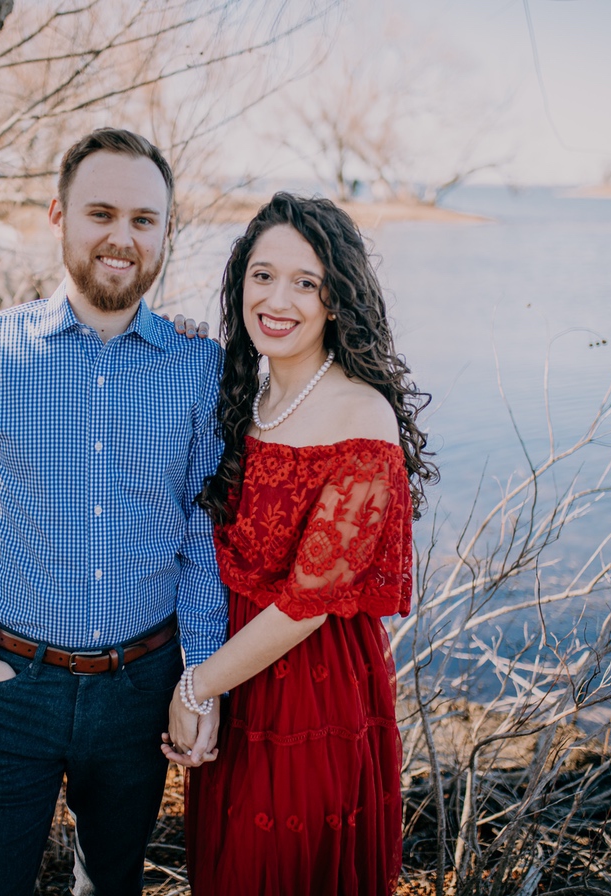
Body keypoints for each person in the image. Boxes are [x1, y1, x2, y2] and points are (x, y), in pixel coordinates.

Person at [0, 128, 225, 896]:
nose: (123, 237)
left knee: (110, 886)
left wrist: (199, 683)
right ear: (58, 216)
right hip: (12, 681)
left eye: (144, 220)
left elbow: (203, 532)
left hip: (140, 686)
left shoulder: (201, 366)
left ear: (166, 234)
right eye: (101, 213)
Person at [161, 193, 437, 895]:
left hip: (312, 693)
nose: (277, 299)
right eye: (262, 275)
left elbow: (308, 604)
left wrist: (195, 687)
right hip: (233, 672)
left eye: (305, 283)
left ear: (337, 300)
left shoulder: (360, 415)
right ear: (239, 285)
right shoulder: (241, 394)